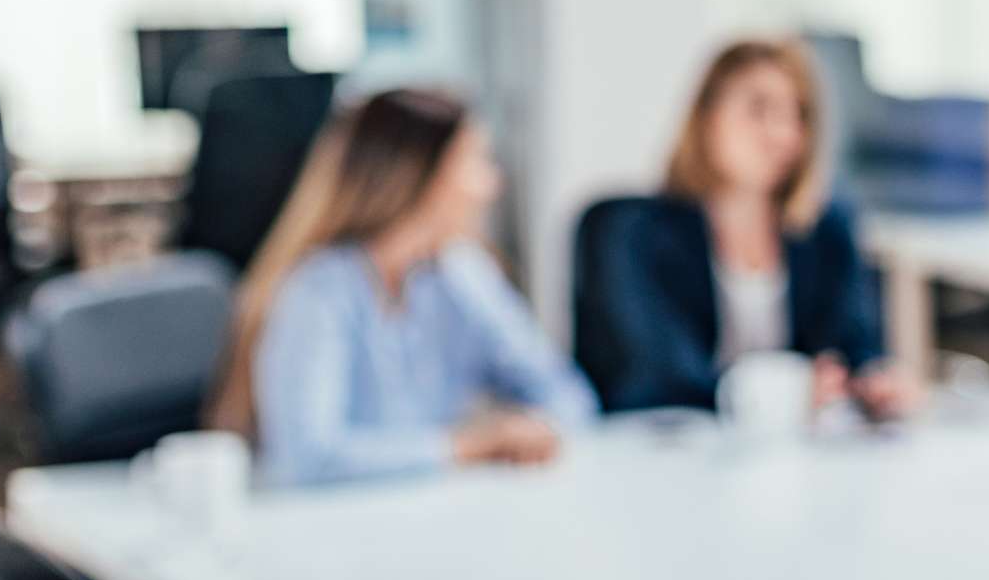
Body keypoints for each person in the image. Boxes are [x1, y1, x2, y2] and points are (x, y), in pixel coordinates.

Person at [206, 88, 595, 488]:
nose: (491, 184)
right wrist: (467, 447)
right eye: (475, 162)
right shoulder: (318, 291)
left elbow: (565, 393)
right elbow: (309, 457)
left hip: (428, 508)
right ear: (419, 176)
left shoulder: (461, 273)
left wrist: (534, 429)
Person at [571, 38, 911, 418]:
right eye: (758, 109)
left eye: (797, 114)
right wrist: (786, 392)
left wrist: (874, 383)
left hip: (791, 459)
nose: (782, 134)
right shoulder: (626, 232)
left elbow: (854, 347)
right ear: (706, 115)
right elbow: (654, 374)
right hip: (661, 452)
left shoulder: (825, 230)